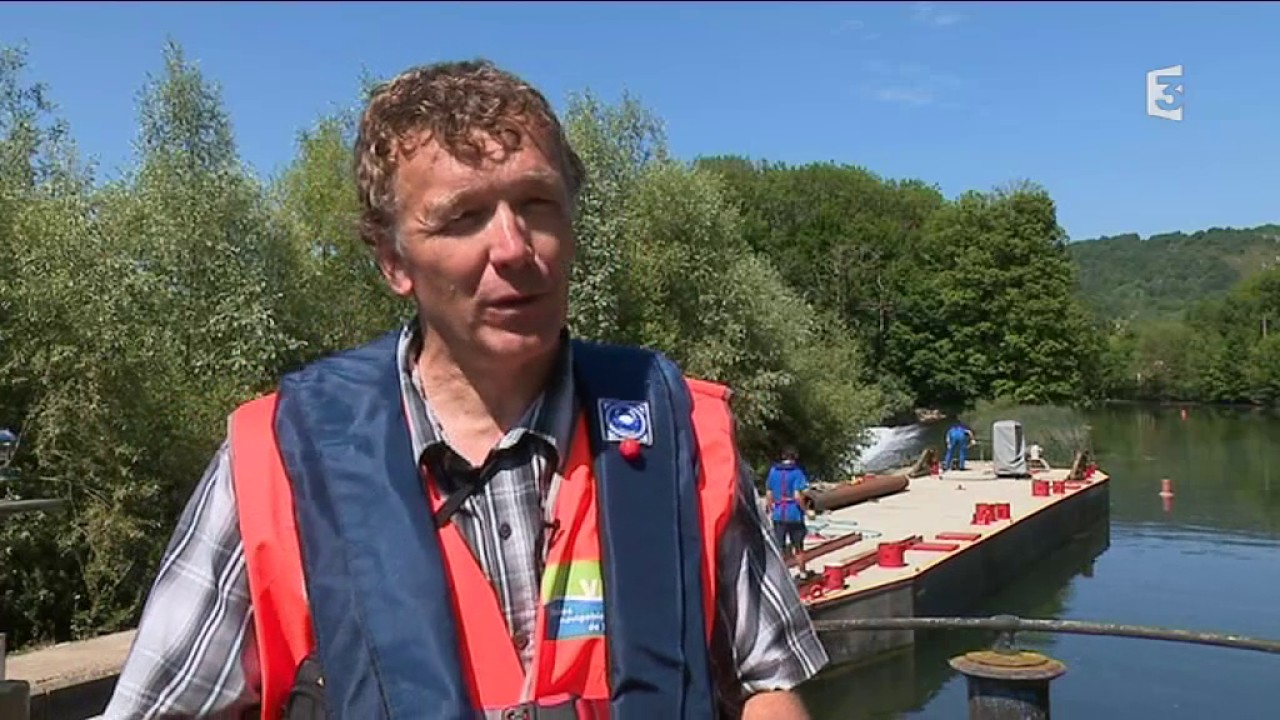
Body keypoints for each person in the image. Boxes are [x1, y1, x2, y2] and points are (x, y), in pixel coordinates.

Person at [101, 59, 827, 720]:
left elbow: (768, 687)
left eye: (537, 204)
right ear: (393, 260)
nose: (514, 249)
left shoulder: (678, 429)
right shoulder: (277, 458)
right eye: (463, 217)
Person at [764, 448, 810, 569]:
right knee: (798, 547)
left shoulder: (773, 471)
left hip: (778, 513)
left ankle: (781, 576)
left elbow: (769, 492)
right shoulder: (797, 472)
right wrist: (806, 510)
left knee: (780, 547)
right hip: (794, 513)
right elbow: (797, 495)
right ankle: (802, 572)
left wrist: (770, 508)